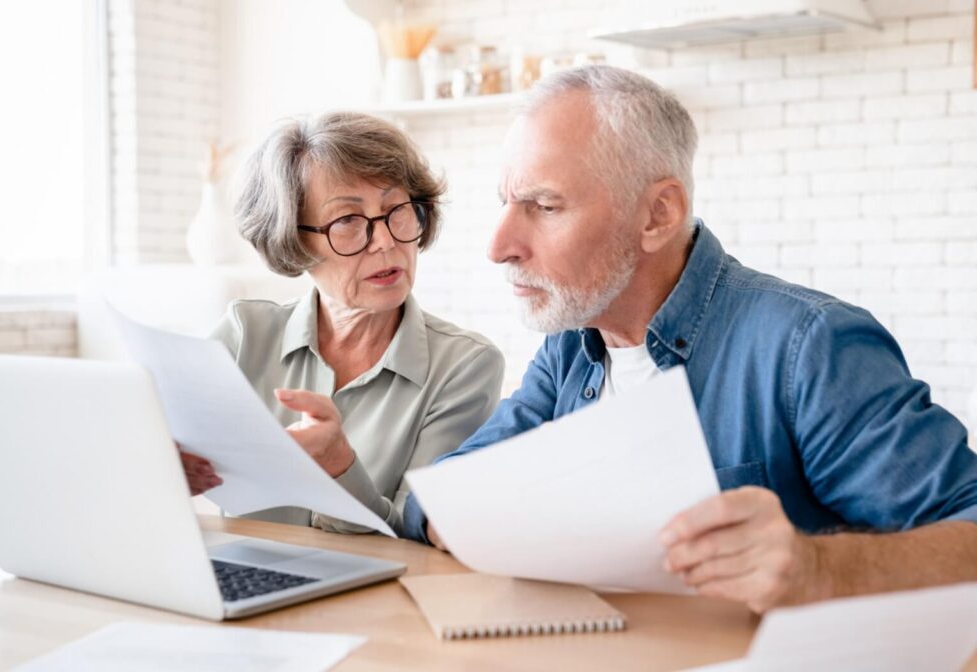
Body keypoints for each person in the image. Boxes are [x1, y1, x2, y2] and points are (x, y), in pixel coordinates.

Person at [402, 65, 977, 613]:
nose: (499, 246)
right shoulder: (572, 346)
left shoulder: (807, 346)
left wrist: (819, 568)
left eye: (545, 206)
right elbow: (442, 494)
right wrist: (459, 515)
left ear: (657, 214)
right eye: (506, 204)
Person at [181, 112, 504, 536]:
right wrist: (165, 465)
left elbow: (423, 534)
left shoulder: (464, 366)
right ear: (293, 241)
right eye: (348, 222)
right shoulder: (244, 335)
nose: (386, 240)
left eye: (397, 210)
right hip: (250, 586)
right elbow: (146, 451)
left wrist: (341, 469)